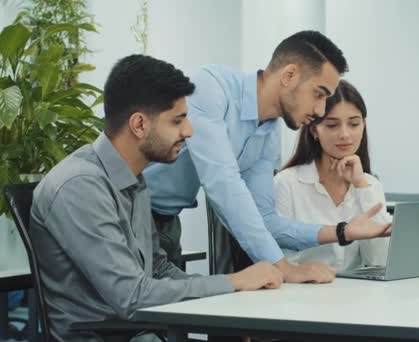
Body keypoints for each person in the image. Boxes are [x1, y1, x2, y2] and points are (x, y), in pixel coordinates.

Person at [29, 54, 283, 342]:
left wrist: (237, 289)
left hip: (143, 334)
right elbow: (132, 296)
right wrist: (233, 281)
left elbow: (159, 269)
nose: (189, 131)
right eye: (178, 120)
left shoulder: (133, 179)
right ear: (139, 125)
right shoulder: (79, 186)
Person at [143, 31, 391, 283]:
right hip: (129, 209)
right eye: (318, 94)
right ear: (289, 75)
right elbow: (223, 183)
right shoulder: (210, 87)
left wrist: (342, 230)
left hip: (167, 222)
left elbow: (266, 220)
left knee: (165, 316)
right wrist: (285, 268)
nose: (319, 110)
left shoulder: (268, 132)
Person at [274, 80, 391, 271]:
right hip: (302, 294)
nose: (345, 134)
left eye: (354, 124)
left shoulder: (370, 184)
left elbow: (380, 261)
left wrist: (362, 186)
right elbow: (280, 261)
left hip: (358, 295)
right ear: (314, 130)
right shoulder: (286, 183)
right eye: (332, 125)